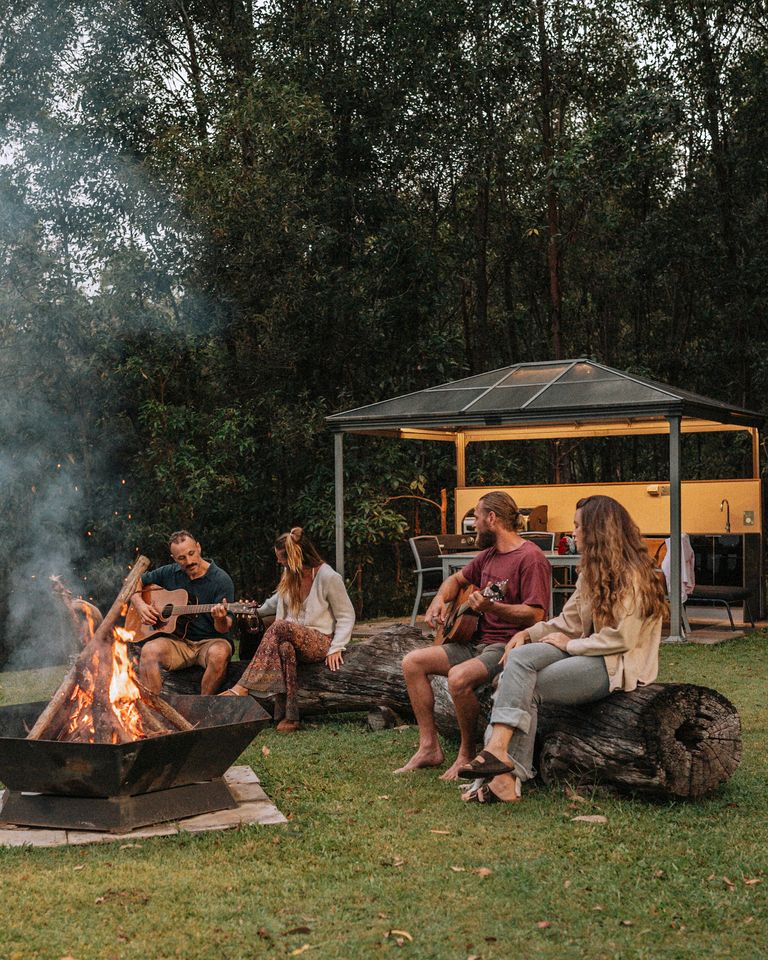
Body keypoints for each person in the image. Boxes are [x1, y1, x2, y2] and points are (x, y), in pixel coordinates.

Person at [458, 494, 668, 804]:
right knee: (518, 658)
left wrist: (570, 645)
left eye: (578, 527)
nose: (573, 534)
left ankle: (503, 772)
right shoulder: (592, 574)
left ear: (598, 532)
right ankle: (500, 759)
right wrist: (528, 633)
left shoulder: (634, 576)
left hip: (615, 664)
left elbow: (621, 639)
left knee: (518, 684)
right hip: (586, 650)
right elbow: (567, 621)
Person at [395, 491, 551, 779]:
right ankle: (429, 747)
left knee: (458, 678)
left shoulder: (530, 558)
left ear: (492, 518)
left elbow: (535, 615)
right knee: (412, 662)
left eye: (476, 519)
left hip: (504, 646)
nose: (474, 526)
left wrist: (495, 607)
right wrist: (440, 600)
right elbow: (456, 579)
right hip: (473, 642)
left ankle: (467, 752)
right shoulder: (488, 556)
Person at [222, 527, 355, 733]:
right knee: (284, 648)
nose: (278, 562)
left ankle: (243, 687)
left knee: (280, 626)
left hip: (319, 641)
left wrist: (337, 647)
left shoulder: (328, 576)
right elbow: (275, 602)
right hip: (291, 638)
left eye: (281, 558)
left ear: (294, 557)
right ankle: (289, 716)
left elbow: (346, 615)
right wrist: (252, 610)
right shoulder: (289, 575)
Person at [130, 530, 235, 694]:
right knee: (148, 651)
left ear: (199, 548)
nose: (189, 561)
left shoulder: (221, 580)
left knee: (219, 653)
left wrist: (219, 618)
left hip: (211, 642)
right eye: (181, 558)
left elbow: (224, 628)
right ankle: (155, 710)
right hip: (178, 642)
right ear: (174, 558)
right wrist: (140, 604)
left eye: (191, 553)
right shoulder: (169, 572)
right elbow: (135, 580)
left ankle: (202, 708)